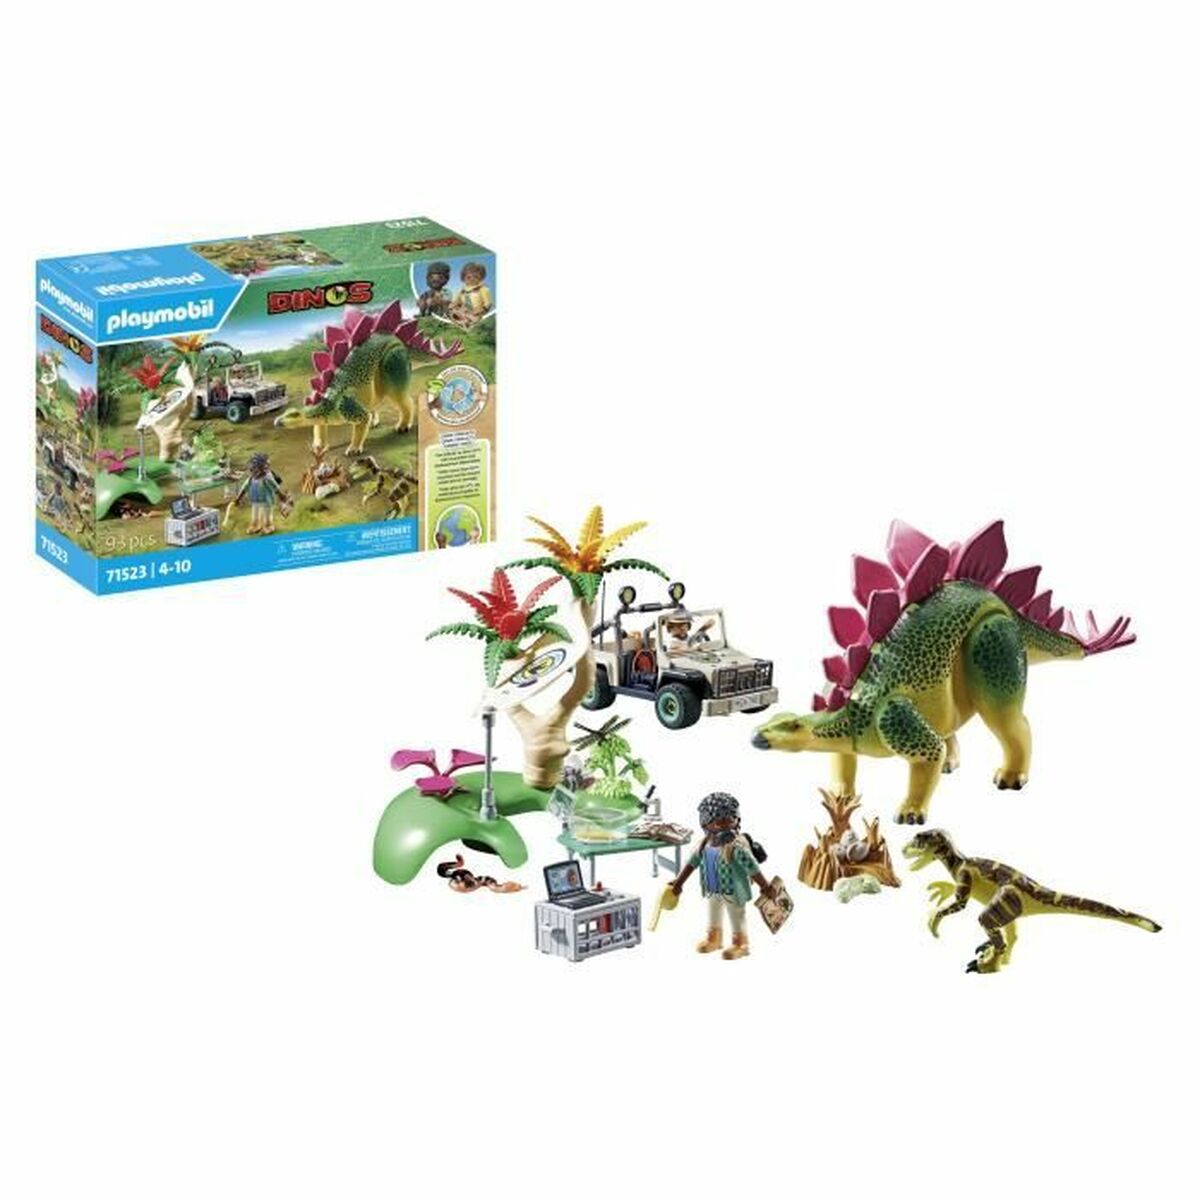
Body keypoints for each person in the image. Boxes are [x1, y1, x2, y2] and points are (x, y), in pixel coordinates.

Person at [668, 792, 772, 960]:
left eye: (731, 821)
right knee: (713, 915)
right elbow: (691, 863)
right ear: (706, 824)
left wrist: (765, 886)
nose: (726, 828)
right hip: (712, 889)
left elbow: (752, 867)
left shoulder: (736, 847)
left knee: (736, 916)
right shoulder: (703, 845)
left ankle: (741, 944)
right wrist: (679, 882)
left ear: (737, 820)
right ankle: (714, 939)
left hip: (733, 891)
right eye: (719, 823)